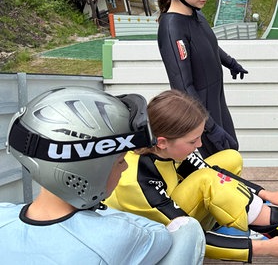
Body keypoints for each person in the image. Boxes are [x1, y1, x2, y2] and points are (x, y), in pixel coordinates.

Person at [104, 89, 278, 263]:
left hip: (169, 206)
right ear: (163, 142)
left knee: (230, 158)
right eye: (192, 140)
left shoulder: (162, 149)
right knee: (206, 181)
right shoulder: (139, 182)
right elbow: (190, 237)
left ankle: (254, 217)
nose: (198, 145)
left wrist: (264, 192)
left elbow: (215, 170)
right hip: (156, 237)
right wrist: (265, 248)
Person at [0, 86, 205, 264]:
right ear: (88, 173)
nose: (124, 168)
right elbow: (164, 237)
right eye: (120, 161)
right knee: (188, 230)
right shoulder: (118, 235)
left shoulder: (4, 217)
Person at [156, 0, 247, 159]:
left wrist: (229, 61)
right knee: (219, 167)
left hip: (216, 101)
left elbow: (208, 44)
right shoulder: (172, 28)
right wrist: (209, 128)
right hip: (199, 118)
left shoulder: (195, 13)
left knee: (232, 154)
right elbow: (184, 87)